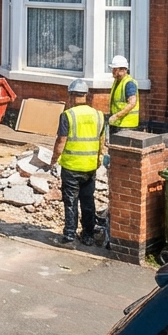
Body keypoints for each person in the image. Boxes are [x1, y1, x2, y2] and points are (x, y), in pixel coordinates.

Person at [52, 79, 106, 246]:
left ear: (71, 96)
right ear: (86, 95)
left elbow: (61, 141)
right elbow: (101, 140)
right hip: (90, 166)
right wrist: (98, 158)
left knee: (70, 201)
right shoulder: (99, 115)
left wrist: (54, 159)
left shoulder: (68, 115)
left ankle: (69, 235)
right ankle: (88, 235)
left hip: (71, 166)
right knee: (88, 200)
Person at [107, 55, 139, 134]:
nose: (113, 71)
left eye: (115, 69)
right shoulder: (117, 82)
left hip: (127, 125)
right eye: (113, 69)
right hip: (118, 124)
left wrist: (116, 116)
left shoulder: (129, 83)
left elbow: (132, 103)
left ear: (123, 70)